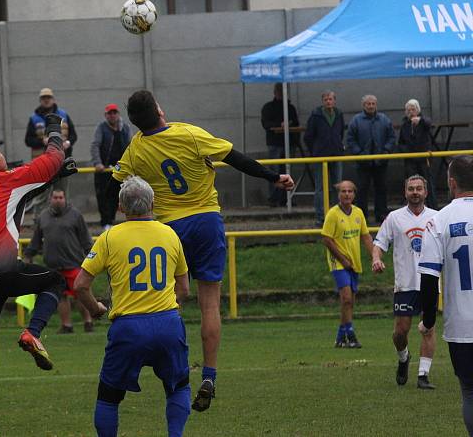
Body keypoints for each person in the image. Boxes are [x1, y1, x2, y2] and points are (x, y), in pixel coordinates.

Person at [111, 90, 294, 412]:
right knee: (210, 304)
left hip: (169, 231)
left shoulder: (136, 148)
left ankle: (166, 366)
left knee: (169, 301)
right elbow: (235, 158)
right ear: (159, 109)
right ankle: (209, 374)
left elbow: (121, 182)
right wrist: (274, 177)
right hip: (207, 223)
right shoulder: (189, 134)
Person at [0, 113, 76, 437]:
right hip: (2, 270)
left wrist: (50, 179)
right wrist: (54, 128)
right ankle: (33, 332)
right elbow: (54, 158)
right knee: (56, 281)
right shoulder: (9, 179)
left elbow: (15, 199)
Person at [74, 176, 190, 437]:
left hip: (128, 327)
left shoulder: (109, 238)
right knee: (179, 386)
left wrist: (94, 309)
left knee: (109, 396)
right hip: (167, 322)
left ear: (120, 207)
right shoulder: (170, 234)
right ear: (153, 203)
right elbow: (184, 289)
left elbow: (80, 285)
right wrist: (169, 312)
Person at [419, 155, 473, 434]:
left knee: (469, 391)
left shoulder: (438, 221)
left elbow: (428, 280)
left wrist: (428, 320)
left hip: (462, 326)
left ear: (451, 182)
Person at [372, 175, 438, 388]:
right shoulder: (395, 218)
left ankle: (423, 376)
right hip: (405, 283)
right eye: (411, 189)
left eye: (419, 188)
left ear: (426, 192)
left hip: (430, 282)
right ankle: (403, 358)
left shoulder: (437, 217)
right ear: (405, 192)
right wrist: (376, 259)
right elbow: (379, 243)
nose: (415, 192)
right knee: (400, 332)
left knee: (428, 328)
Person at [24, 188, 94, 333]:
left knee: (81, 295)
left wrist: (92, 258)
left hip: (74, 263)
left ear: (65, 199)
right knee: (61, 297)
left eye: (61, 197)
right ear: (50, 199)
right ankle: (66, 325)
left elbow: (86, 239)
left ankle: (88, 322)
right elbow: (36, 240)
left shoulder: (75, 215)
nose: (58, 200)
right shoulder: (43, 216)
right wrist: (28, 254)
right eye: (55, 197)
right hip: (54, 266)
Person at [321, 180, 374, 349]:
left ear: (354, 194)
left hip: (354, 262)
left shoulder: (358, 213)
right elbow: (327, 239)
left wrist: (375, 256)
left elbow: (365, 236)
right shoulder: (333, 214)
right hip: (339, 262)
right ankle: (350, 334)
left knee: (350, 301)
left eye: (350, 191)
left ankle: (340, 336)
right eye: (343, 191)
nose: (346, 194)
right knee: (346, 297)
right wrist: (342, 258)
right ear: (338, 194)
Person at [346, 94, 396, 223]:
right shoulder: (356, 120)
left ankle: (381, 215)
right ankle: (362, 217)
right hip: (363, 163)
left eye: (373, 103)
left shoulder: (384, 119)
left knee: (381, 188)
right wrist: (359, 154)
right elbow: (350, 139)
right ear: (364, 105)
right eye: (368, 104)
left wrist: (386, 151)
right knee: (362, 189)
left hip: (381, 162)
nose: (371, 106)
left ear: (376, 105)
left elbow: (391, 137)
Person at [303, 90, 345, 225]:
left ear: (334, 101)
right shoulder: (316, 115)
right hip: (320, 155)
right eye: (326, 99)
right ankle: (321, 216)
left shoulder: (339, 114)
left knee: (337, 186)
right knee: (320, 187)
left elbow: (341, 132)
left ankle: (337, 214)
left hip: (336, 154)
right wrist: (315, 150)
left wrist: (338, 145)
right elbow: (308, 136)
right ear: (323, 101)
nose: (328, 101)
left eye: (331, 99)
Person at [90, 103, 131, 231]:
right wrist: (97, 163)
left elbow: (131, 146)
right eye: (110, 113)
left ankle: (112, 220)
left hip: (120, 169)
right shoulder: (101, 128)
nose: (112, 115)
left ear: (118, 114)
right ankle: (105, 223)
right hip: (103, 169)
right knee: (102, 196)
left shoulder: (125, 128)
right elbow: (95, 145)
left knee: (116, 196)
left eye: (114, 113)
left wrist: (131, 164)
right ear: (106, 115)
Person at [260, 82, 300, 207]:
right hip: (275, 143)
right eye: (279, 91)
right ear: (275, 92)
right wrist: (280, 124)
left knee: (287, 171)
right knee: (274, 172)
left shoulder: (290, 108)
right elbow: (266, 124)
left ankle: (286, 198)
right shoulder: (268, 107)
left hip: (289, 143)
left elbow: (296, 123)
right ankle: (273, 198)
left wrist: (290, 126)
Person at [397, 98, 437, 209]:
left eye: (413, 109)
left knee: (428, 184)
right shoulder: (405, 124)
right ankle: (410, 207)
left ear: (418, 110)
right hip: (410, 159)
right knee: (410, 183)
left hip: (424, 159)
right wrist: (406, 152)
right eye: (408, 110)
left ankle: (433, 207)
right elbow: (401, 142)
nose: (411, 112)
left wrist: (420, 120)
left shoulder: (424, 121)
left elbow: (429, 124)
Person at [24, 87, 77, 159]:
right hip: (41, 160)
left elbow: (73, 135)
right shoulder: (34, 118)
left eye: (48, 97)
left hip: (63, 158)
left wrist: (68, 143)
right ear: (40, 100)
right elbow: (28, 140)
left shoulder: (63, 115)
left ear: (53, 99)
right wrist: (42, 141)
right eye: (43, 98)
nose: (46, 100)